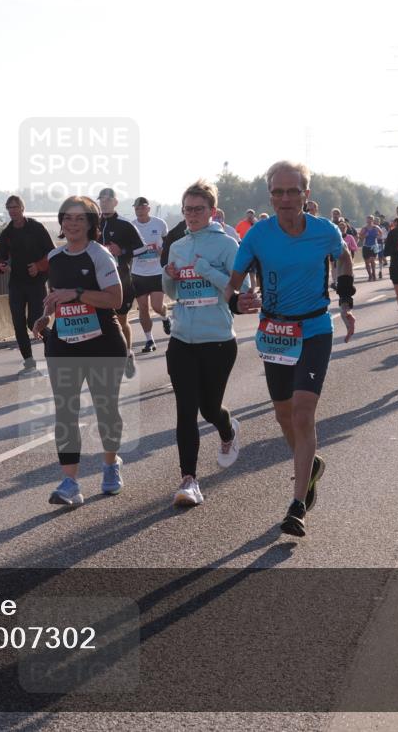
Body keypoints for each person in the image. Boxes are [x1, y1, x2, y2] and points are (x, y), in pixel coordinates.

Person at [225, 160, 356, 538]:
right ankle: (309, 465)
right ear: (270, 195)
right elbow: (232, 286)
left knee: (302, 413)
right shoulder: (257, 236)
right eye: (278, 192)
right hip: (275, 332)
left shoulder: (324, 231)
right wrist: (236, 303)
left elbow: (343, 256)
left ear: (306, 195)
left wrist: (344, 299)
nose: (285, 198)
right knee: (283, 416)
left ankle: (297, 504)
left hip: (314, 328)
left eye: (292, 191)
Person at [31, 196, 127, 507]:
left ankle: (111, 464)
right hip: (64, 344)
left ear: (90, 224)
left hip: (102, 344)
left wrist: (78, 293)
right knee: (65, 413)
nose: (72, 224)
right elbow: (57, 298)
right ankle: (70, 482)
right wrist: (47, 317)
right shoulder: (55, 257)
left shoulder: (99, 256)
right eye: (67, 218)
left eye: (79, 219)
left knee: (105, 409)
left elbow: (115, 299)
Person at [163, 180, 244, 508]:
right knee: (185, 410)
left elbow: (237, 290)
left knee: (209, 408)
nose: (192, 215)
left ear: (212, 212)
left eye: (198, 209)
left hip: (218, 340)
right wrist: (169, 276)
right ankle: (189, 480)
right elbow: (172, 292)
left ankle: (227, 431)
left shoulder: (228, 245)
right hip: (182, 337)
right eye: (187, 209)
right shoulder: (177, 246)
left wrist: (207, 269)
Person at [0, 195, 55, 376]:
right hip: (16, 284)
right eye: (9, 208)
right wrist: (1, 266)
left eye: (15, 207)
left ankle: (50, 343)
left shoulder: (36, 228)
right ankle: (29, 362)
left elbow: (52, 253)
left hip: (36, 283)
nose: (13, 211)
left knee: (34, 321)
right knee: (18, 323)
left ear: (22, 208)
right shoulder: (7, 233)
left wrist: (39, 266)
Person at [97, 187, 145, 377]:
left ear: (116, 202)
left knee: (121, 320)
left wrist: (122, 251)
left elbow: (141, 249)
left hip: (122, 279)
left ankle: (127, 354)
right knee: (101, 323)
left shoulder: (125, 224)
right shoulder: (93, 224)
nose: (104, 202)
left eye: (108, 199)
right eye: (102, 199)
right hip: (98, 281)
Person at [129, 196, 170, 351]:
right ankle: (149, 340)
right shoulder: (131, 226)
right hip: (138, 273)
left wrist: (163, 251)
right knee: (143, 308)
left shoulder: (159, 224)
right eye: (137, 208)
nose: (139, 211)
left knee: (157, 306)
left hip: (156, 272)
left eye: (142, 208)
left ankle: (165, 317)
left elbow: (168, 243)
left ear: (148, 209)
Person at [359, 215, 383, 281]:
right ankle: (370, 275)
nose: (369, 221)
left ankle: (374, 274)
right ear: (366, 220)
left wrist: (378, 236)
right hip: (366, 246)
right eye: (368, 219)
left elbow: (381, 233)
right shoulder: (364, 228)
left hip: (374, 246)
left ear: (373, 220)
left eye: (370, 219)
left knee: (372, 260)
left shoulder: (376, 227)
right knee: (367, 262)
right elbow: (360, 237)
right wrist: (364, 235)